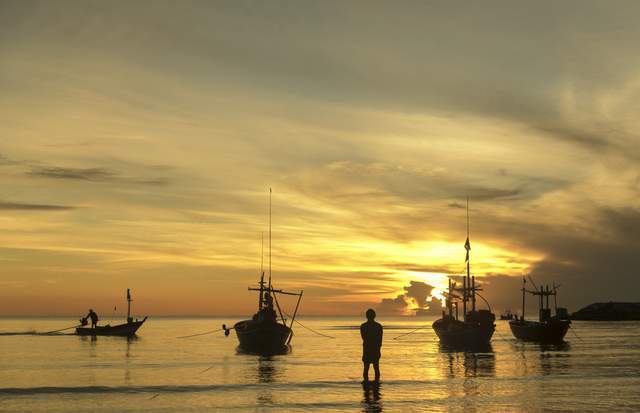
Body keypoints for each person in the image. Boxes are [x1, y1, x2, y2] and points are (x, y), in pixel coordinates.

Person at [360, 308, 383, 383]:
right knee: (376, 368)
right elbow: (380, 341)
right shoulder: (379, 326)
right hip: (375, 349)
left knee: (366, 368)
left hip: (367, 348)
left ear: (366, 316)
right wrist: (379, 350)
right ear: (374, 316)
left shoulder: (363, 326)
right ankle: (377, 384)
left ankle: (366, 384)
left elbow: (364, 338)